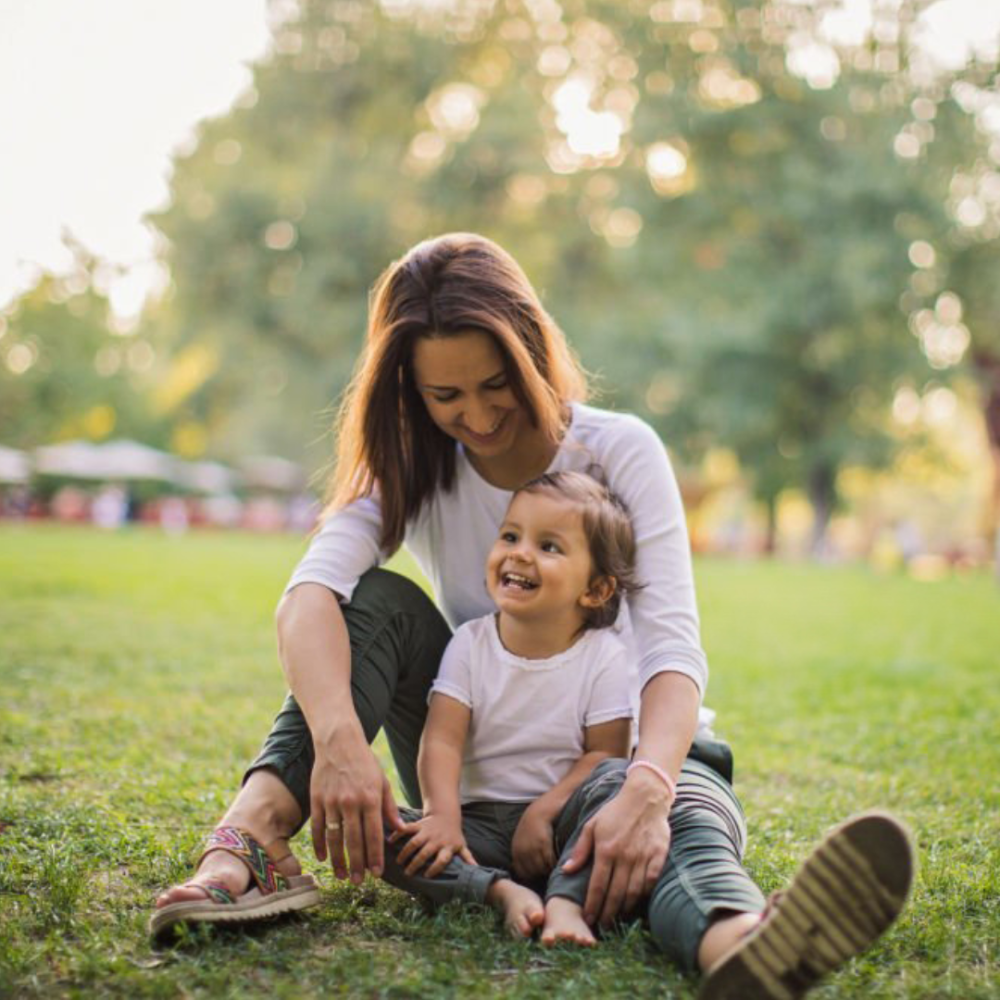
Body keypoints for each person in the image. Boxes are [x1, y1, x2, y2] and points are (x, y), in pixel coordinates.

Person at [152, 233, 913, 996]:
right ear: (411, 391)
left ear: (531, 352)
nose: (478, 415)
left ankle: (739, 946)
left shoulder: (618, 450)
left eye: (495, 384)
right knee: (375, 604)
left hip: (627, 762)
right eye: (446, 397)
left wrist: (647, 790)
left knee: (677, 837)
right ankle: (253, 841)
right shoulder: (413, 464)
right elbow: (306, 598)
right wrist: (341, 743)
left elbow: (672, 651)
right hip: (478, 795)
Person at [381, 471, 638, 945]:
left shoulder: (604, 656)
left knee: (619, 787)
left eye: (549, 546)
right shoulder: (470, 643)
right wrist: (442, 816)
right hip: (476, 825)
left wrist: (543, 812)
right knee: (379, 832)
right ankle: (498, 891)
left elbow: (606, 756)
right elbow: (442, 739)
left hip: (562, 825)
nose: (519, 553)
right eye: (511, 536)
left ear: (596, 590)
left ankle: (565, 900)